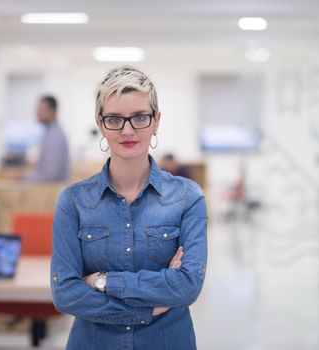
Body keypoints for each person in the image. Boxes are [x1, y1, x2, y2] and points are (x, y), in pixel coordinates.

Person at [51, 65, 208, 349]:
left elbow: (187, 286)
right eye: (114, 119)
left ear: (156, 121)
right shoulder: (74, 201)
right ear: (100, 124)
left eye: (139, 118)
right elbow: (65, 293)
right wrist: (149, 306)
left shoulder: (187, 197)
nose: (127, 130)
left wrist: (101, 281)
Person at [26, 95, 70, 182]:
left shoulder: (55, 136)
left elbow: (50, 176)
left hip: (52, 191)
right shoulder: (49, 133)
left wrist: (24, 179)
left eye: (41, 109)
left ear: (53, 111)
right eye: (37, 109)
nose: (37, 113)